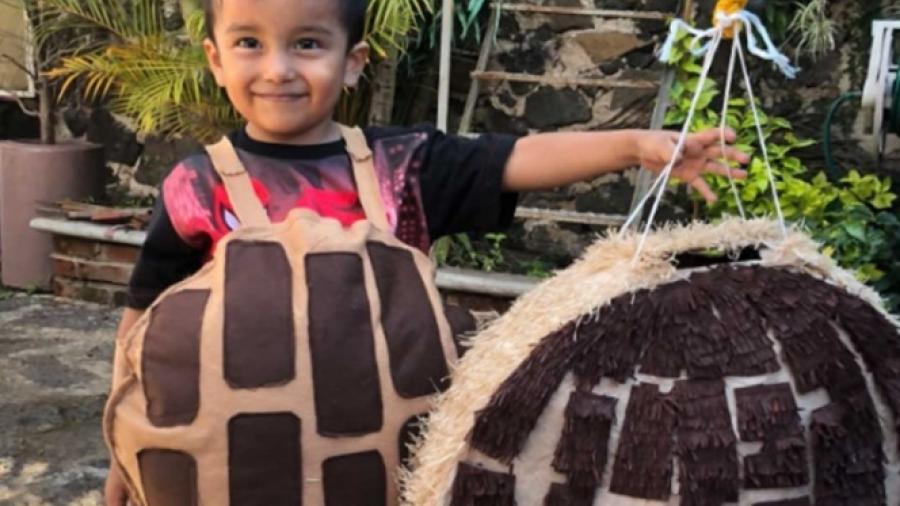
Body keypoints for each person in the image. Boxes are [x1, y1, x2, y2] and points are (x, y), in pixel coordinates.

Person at [104, 0, 750, 503]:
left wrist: (634, 146)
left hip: (403, 455)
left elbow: (514, 158)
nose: (277, 68)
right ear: (216, 59)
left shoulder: (403, 165)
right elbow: (145, 324)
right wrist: (124, 452)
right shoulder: (195, 186)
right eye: (250, 43)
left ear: (353, 59)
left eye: (307, 43)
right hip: (245, 459)